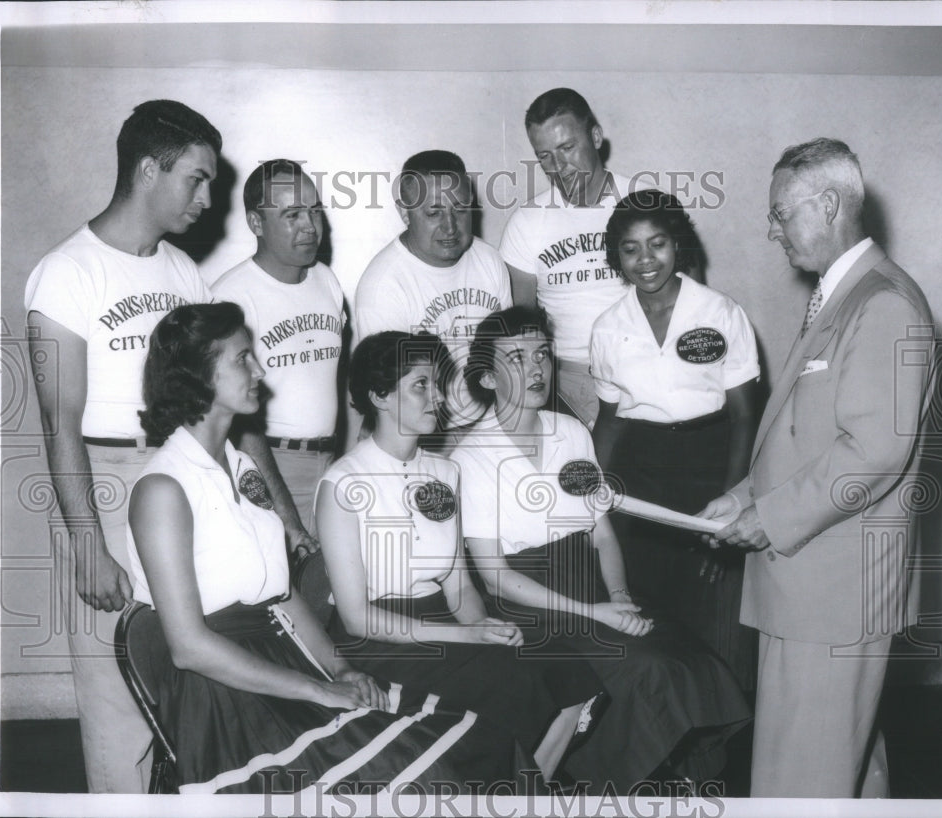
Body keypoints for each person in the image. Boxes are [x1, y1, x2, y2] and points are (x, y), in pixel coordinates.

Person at [127, 302, 529, 794]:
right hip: (225, 697)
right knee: (422, 778)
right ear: (196, 376)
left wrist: (341, 666)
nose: (259, 370)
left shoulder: (243, 468)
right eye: (242, 359)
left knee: (479, 738)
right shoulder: (163, 489)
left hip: (287, 658)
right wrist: (321, 687)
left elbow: (279, 594)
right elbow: (190, 648)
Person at [700, 138, 934, 797]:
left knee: (798, 786)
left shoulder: (881, 303)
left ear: (828, 204)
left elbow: (875, 452)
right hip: (812, 588)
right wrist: (743, 496)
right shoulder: (845, 296)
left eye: (780, 214)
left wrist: (766, 518)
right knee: (844, 774)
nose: (770, 231)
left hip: (832, 600)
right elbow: (811, 435)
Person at [451, 306, 752, 792]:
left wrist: (618, 596)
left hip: (594, 593)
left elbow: (602, 533)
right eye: (516, 358)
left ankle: (679, 789)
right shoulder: (471, 457)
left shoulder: (571, 433)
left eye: (542, 355)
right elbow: (496, 578)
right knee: (648, 671)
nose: (535, 370)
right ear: (486, 377)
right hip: (533, 607)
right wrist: (596, 612)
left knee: (691, 658)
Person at [24, 99, 221, 793]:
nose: (207, 198)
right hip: (103, 483)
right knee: (118, 701)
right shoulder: (66, 273)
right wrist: (87, 541)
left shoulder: (184, 275)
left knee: (194, 678)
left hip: (178, 479)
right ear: (148, 169)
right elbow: (58, 419)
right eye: (196, 179)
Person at [316, 331, 606, 782]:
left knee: (571, 673)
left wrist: (478, 624)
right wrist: (468, 637)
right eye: (421, 386)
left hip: (442, 625)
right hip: (379, 640)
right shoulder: (343, 483)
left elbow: (458, 583)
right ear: (379, 396)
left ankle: (524, 794)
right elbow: (356, 619)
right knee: (512, 683)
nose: (438, 399)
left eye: (438, 385)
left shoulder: (443, 470)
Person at [590, 190, 761, 688]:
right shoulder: (607, 327)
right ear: (615, 257)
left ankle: (721, 747)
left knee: (710, 608)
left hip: (710, 466)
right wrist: (593, 498)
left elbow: (746, 416)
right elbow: (611, 420)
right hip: (639, 474)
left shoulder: (721, 312)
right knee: (649, 610)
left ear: (677, 244)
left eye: (658, 243)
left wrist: (731, 500)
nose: (646, 260)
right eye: (631, 248)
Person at [212, 159, 342, 560]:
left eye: (314, 211)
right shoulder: (230, 298)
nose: (310, 226)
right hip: (269, 464)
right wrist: (286, 515)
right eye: (291, 215)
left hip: (330, 463)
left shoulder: (327, 280)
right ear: (255, 222)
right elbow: (234, 419)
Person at [499, 88, 640, 427]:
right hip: (567, 381)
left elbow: (686, 302)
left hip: (642, 367)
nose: (558, 167)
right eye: (544, 155)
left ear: (595, 136)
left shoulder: (644, 202)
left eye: (567, 148)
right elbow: (523, 326)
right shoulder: (527, 222)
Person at [354, 150, 512, 436]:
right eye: (434, 212)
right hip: (421, 436)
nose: (450, 226)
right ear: (405, 213)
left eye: (460, 209)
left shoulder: (489, 260)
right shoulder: (384, 286)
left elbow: (509, 357)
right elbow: (393, 402)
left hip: (489, 425)